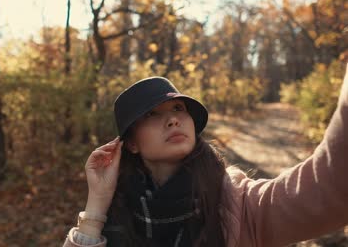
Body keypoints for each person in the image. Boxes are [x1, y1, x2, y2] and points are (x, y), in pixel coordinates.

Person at [63, 64, 348, 247]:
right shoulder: (116, 213)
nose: (173, 120)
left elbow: (331, 186)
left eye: (178, 109)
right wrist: (97, 203)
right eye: (152, 114)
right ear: (132, 144)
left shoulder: (238, 206)